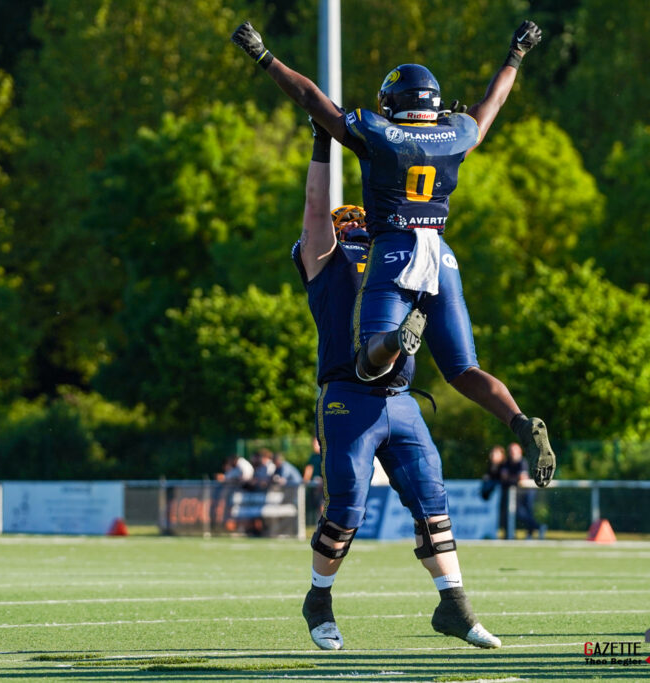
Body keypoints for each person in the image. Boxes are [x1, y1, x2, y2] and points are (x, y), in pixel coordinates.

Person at [231, 19, 557, 490]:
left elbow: (309, 99)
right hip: (441, 253)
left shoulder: (378, 133)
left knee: (368, 359)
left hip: (395, 248)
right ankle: (521, 421)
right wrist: (516, 56)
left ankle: (401, 334)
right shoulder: (457, 135)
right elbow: (492, 105)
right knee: (464, 370)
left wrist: (265, 57)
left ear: (393, 104)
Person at [284, 118, 499, 651]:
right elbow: (316, 210)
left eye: (360, 218)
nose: (356, 222)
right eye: (347, 220)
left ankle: (455, 605)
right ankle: (319, 598)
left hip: (400, 399)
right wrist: (321, 143)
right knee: (347, 507)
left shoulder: (397, 252)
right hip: (348, 398)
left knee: (433, 502)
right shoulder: (326, 261)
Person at [501, 442, 539, 539]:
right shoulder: (506, 463)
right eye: (511, 451)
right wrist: (515, 478)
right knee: (518, 513)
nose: (512, 453)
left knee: (527, 512)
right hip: (515, 492)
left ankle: (533, 530)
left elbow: (522, 478)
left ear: (520, 452)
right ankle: (536, 528)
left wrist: (511, 478)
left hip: (526, 491)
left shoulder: (522, 462)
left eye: (515, 451)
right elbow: (504, 478)